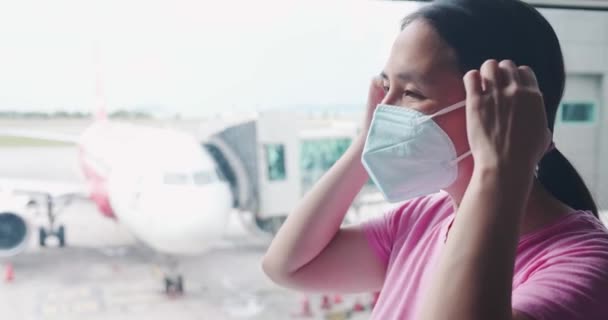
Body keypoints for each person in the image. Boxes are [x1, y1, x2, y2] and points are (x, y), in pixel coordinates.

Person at [261, 0, 608, 319]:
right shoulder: (424, 217)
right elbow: (288, 266)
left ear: (505, 108)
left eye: (411, 92)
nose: (384, 111)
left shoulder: (583, 264)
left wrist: (499, 169)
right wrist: (363, 144)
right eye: (385, 87)